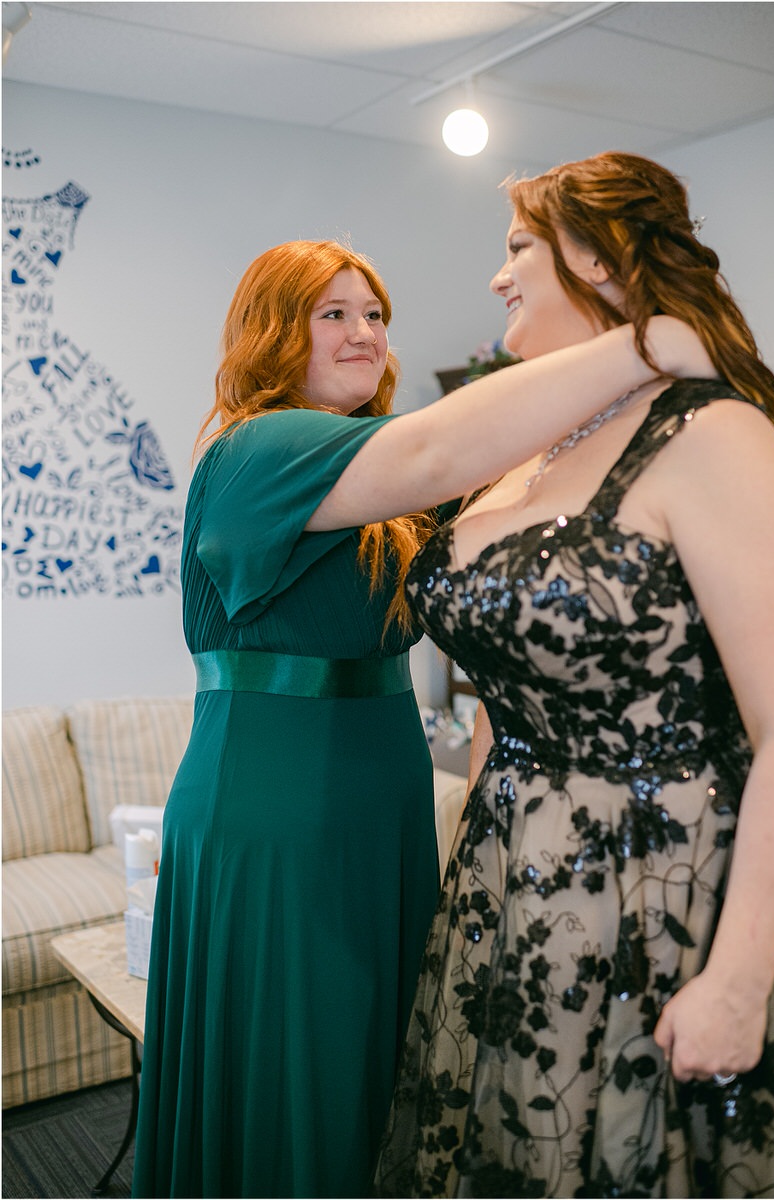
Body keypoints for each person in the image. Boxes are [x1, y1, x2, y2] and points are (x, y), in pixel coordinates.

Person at [131, 237, 713, 1200]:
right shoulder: (255, 446)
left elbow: (515, 505)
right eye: (334, 314)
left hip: (383, 803)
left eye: (375, 315)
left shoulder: (387, 489)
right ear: (274, 332)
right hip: (279, 810)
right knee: (303, 1058)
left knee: (379, 1056)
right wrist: (646, 343)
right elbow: (451, 444)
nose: (365, 333)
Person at [373, 152, 774, 1199]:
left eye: (518, 244)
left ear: (602, 260)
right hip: (504, 886)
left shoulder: (710, 435)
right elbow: (493, 696)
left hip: (655, 893)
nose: (496, 275)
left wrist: (739, 984)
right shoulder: (518, 454)